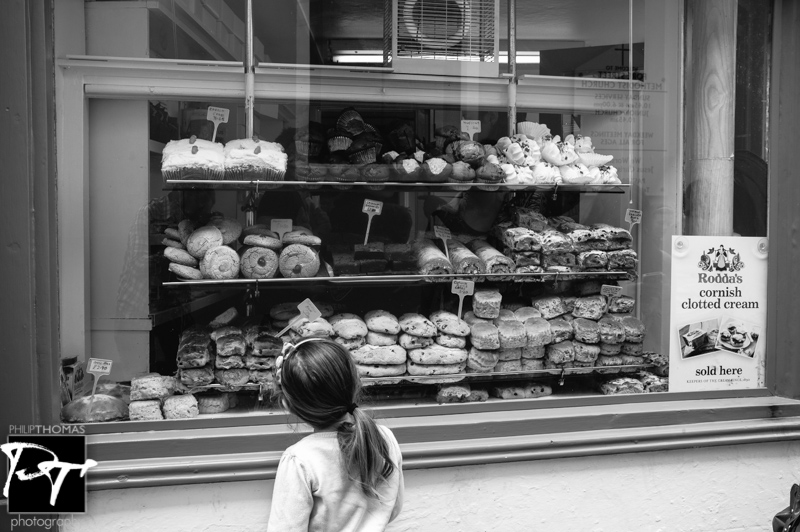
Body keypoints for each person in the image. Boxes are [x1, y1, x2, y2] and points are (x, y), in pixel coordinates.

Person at [267, 338, 404, 532]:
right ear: (355, 383)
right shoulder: (384, 437)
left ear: (288, 404)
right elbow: (394, 507)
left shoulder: (300, 460)